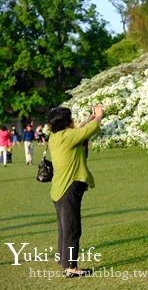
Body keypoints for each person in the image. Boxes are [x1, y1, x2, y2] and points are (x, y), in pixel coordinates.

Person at [48, 105, 104, 278]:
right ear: (66, 122)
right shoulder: (68, 136)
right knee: (72, 229)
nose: (73, 120)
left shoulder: (56, 136)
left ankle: (64, 261)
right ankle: (71, 268)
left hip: (59, 189)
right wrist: (99, 116)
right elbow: (89, 129)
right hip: (69, 188)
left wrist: (89, 117)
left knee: (64, 228)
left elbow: (79, 128)